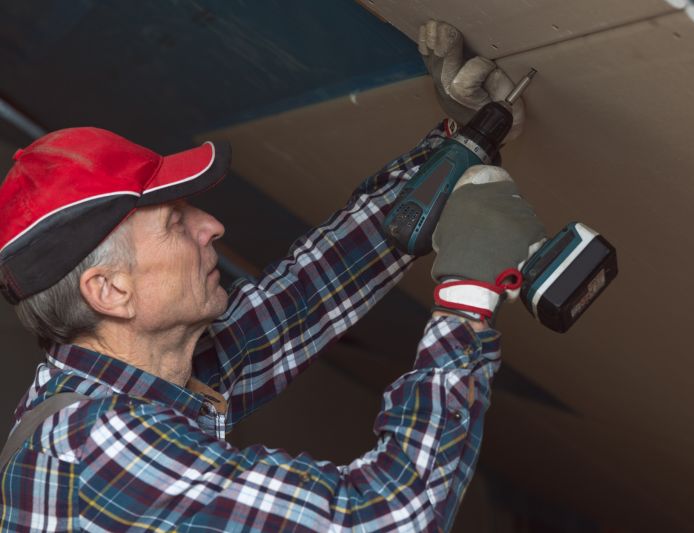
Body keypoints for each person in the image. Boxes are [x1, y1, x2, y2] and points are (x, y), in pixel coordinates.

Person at [0, 21, 544, 532]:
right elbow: (382, 519)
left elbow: (302, 297)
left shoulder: (138, 371)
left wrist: (458, 149)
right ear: (111, 290)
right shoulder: (96, 448)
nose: (211, 225)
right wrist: (468, 300)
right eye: (174, 222)